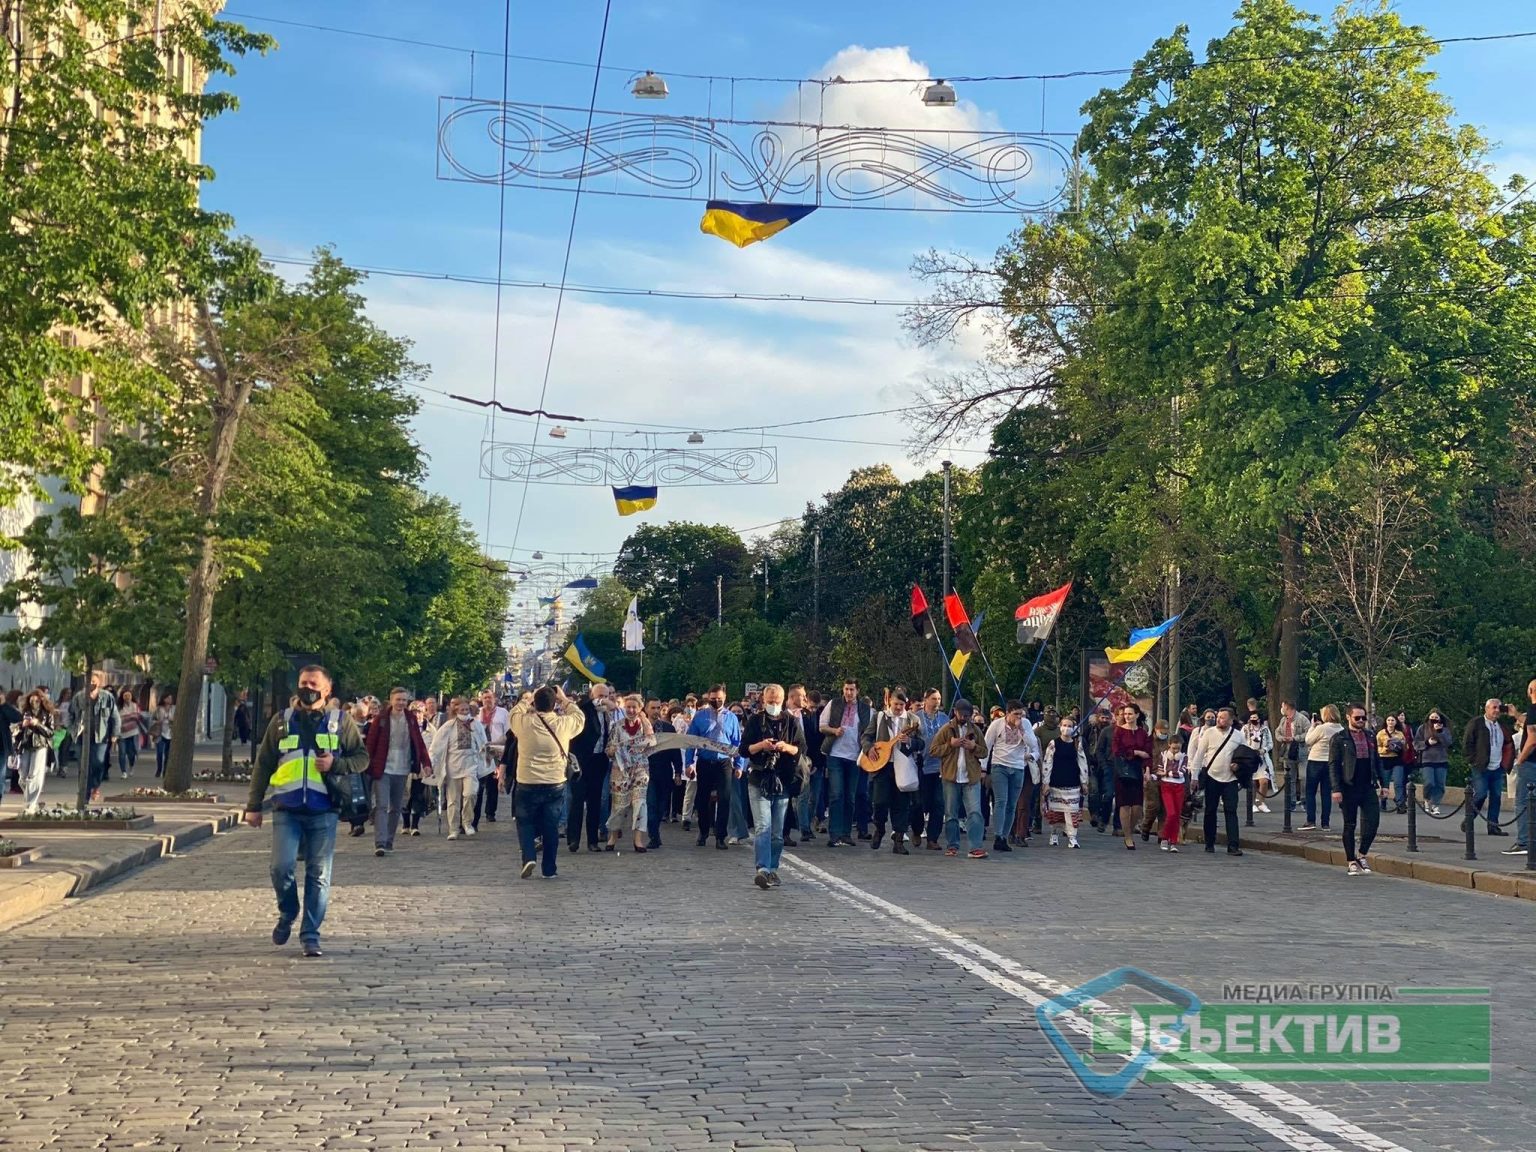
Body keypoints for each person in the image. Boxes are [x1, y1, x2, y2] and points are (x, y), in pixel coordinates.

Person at [244, 664, 368, 958]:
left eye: (314, 684)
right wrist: (253, 806)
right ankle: (288, 911)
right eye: (303, 683)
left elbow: (361, 758)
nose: (307, 689)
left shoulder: (340, 721)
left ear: (327, 689)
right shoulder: (281, 721)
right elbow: (263, 765)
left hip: (324, 809)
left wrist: (335, 765)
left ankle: (310, 935)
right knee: (280, 867)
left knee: (319, 874)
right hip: (286, 809)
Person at [506, 685, 585, 879]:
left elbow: (514, 713)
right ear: (553, 704)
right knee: (551, 826)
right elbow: (579, 717)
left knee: (525, 822)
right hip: (555, 782)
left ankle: (529, 856)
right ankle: (549, 868)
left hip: (527, 781)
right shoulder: (563, 724)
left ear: (535, 702)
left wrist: (528, 699)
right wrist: (564, 699)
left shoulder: (523, 723)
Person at [740, 683, 806, 888]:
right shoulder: (754, 720)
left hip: (783, 779)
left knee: (777, 831)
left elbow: (801, 749)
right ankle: (763, 868)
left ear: (783, 700)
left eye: (777, 702)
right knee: (763, 826)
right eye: (770, 702)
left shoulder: (792, 721)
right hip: (759, 778)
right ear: (763, 700)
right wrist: (762, 745)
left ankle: (773, 868)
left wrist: (785, 747)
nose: (773, 705)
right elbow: (744, 750)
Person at [363, 687, 433, 856]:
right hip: (383, 768)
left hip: (402, 768)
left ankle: (389, 840)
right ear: (391, 700)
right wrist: (365, 764)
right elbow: (370, 744)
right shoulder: (381, 719)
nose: (401, 703)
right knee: (381, 805)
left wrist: (426, 763)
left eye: (404, 700)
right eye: (398, 699)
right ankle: (379, 842)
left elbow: (418, 742)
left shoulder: (410, 719)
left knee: (396, 807)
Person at [1330, 704, 1389, 875]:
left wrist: (1384, 784)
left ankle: (1362, 854)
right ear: (1348, 717)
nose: (1361, 721)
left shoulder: (1370, 736)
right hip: (1348, 785)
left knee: (1373, 822)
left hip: (1367, 784)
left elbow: (1377, 761)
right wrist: (1336, 788)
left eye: (1364, 717)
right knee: (1350, 824)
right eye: (1358, 718)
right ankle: (1350, 860)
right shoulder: (1340, 738)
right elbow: (1333, 765)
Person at [862, 689, 922, 855]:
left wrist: (910, 741)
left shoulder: (913, 720)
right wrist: (869, 749)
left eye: (902, 705)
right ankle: (879, 829)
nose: (898, 707)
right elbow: (866, 737)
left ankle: (899, 840)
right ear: (890, 702)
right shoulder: (879, 717)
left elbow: (922, 743)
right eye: (896, 704)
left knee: (901, 804)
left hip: (903, 766)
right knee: (879, 802)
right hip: (882, 766)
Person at [928, 698, 989, 859]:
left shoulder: (975, 730)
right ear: (955, 712)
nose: (964, 718)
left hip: (971, 777)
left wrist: (973, 747)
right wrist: (951, 745)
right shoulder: (946, 729)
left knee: (975, 812)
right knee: (951, 813)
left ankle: (975, 847)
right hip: (950, 776)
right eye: (962, 715)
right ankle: (952, 845)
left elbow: (985, 752)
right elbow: (933, 750)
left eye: (967, 716)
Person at [686, 684, 743, 850]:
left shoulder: (731, 717)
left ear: (724, 698)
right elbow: (691, 740)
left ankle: (720, 836)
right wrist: (689, 764)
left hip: (724, 763)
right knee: (702, 799)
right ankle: (703, 832)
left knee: (724, 800)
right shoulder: (700, 716)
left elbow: (737, 742)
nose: (716, 701)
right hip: (705, 761)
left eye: (719, 699)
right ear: (708, 698)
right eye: (713, 699)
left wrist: (739, 765)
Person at [819, 679, 872, 848]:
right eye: (846, 689)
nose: (849, 693)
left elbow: (870, 732)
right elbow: (822, 726)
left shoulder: (865, 710)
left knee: (850, 796)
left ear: (857, 691)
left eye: (852, 689)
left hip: (855, 756)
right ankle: (834, 833)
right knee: (836, 794)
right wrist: (834, 730)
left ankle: (846, 833)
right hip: (835, 754)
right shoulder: (833, 704)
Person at [984, 700, 1039, 853]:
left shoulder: (1025, 724)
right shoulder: (997, 725)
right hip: (999, 765)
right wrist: (983, 768)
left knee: (1012, 805)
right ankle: (998, 836)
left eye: (1021, 714)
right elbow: (986, 745)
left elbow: (1033, 744)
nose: (1018, 717)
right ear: (1007, 713)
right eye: (1015, 714)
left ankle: (1005, 835)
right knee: (1001, 801)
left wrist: (1021, 728)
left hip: (1018, 767)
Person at [1188, 706, 1245, 857]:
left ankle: (1233, 845)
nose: (1218, 720)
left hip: (1231, 779)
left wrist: (1238, 766)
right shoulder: (1209, 733)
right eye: (1218, 717)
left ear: (1231, 720)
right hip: (1212, 776)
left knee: (1231, 811)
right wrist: (1194, 776)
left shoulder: (1238, 736)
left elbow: (1245, 756)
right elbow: (1199, 755)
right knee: (1210, 811)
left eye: (1222, 717)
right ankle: (1209, 842)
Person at [429, 697, 485, 840]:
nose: (464, 712)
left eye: (467, 710)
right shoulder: (448, 726)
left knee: (470, 793)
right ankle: (453, 828)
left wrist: (488, 755)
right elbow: (436, 746)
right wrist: (431, 762)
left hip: (470, 765)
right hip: (453, 766)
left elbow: (483, 743)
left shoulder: (476, 725)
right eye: (462, 710)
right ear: (456, 710)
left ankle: (467, 822)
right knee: (453, 800)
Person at [606, 694, 654, 854]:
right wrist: (612, 750)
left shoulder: (644, 726)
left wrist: (644, 720)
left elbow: (652, 742)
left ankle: (638, 840)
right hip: (620, 771)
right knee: (619, 805)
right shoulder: (618, 726)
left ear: (640, 708)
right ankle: (612, 837)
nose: (631, 710)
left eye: (634, 707)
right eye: (628, 707)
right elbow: (609, 748)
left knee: (640, 803)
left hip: (640, 770)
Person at [571, 685, 616, 852]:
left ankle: (592, 840)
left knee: (595, 802)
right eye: (600, 695)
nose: (604, 698)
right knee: (577, 801)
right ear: (592, 696)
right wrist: (599, 701)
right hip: (583, 761)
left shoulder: (607, 714)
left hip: (599, 761)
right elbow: (582, 706)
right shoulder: (584, 709)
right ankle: (573, 839)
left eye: (606, 695)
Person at [1462, 698, 1508, 838]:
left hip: (1497, 766)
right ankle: (1469, 820)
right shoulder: (1476, 723)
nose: (1496, 710)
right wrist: (1473, 760)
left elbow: (1508, 743)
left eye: (1499, 708)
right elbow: (1467, 742)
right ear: (1486, 709)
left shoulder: (1502, 725)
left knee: (1496, 796)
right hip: (1481, 766)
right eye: (1494, 707)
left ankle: (1493, 826)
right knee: (1481, 794)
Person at [909, 688, 948, 850]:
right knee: (918, 803)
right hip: (921, 765)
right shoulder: (916, 718)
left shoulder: (945, 719)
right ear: (925, 699)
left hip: (940, 767)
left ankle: (933, 838)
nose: (936, 702)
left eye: (939, 699)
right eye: (933, 699)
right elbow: (910, 739)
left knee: (939, 804)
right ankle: (917, 830)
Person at [1041, 714, 1088, 848]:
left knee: (1072, 811)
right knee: (1056, 811)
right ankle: (1054, 834)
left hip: (1072, 783)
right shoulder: (1053, 743)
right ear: (1060, 727)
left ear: (1074, 728)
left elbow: (1082, 763)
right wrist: (1046, 782)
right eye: (1064, 725)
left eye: (1069, 726)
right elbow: (1047, 762)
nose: (1066, 728)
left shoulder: (1076, 744)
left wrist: (1084, 781)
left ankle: (1072, 837)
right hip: (1056, 782)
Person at [1110, 704, 1152, 851]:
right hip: (1122, 770)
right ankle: (1128, 836)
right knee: (1124, 804)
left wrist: (1147, 769)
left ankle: (1131, 829)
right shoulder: (1119, 731)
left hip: (1137, 770)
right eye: (1125, 714)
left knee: (1137, 807)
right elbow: (1117, 750)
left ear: (1137, 715)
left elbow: (1148, 753)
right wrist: (1135, 752)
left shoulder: (1142, 733)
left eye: (1130, 714)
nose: (1127, 716)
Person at [644, 700, 681, 851]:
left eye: (658, 708)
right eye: (653, 708)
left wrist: (678, 771)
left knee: (661, 805)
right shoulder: (640, 728)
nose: (656, 711)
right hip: (647, 771)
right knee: (651, 804)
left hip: (665, 771)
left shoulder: (668, 728)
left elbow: (675, 750)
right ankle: (653, 836)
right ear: (646, 709)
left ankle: (656, 830)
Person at [12, 690, 54, 815]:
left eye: (37, 700)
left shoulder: (47, 714)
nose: (34, 703)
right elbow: (14, 728)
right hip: (25, 746)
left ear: (42, 700)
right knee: (23, 777)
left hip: (40, 746)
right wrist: (21, 725)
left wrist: (38, 724)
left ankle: (31, 804)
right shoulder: (24, 712)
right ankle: (31, 801)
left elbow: (50, 733)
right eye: (31, 700)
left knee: (34, 776)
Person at [1301, 705, 1342, 831]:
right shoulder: (1341, 728)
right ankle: (1325, 823)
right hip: (1330, 762)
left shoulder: (1321, 728)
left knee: (1310, 791)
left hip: (1316, 760)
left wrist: (1312, 727)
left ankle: (1311, 820)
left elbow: (1308, 740)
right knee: (1326, 793)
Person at [472, 689, 508, 830]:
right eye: (485, 697)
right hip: (481, 751)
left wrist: (497, 744)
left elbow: (507, 733)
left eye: (490, 697)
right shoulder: (477, 713)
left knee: (493, 783)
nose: (487, 700)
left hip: (496, 749)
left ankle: (490, 812)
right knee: (480, 783)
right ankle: (476, 814)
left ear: (495, 699)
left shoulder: (503, 713)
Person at [1508, 680, 1536, 856]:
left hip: (1531, 763)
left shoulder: (1534, 709)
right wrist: (1516, 715)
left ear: (1531, 690)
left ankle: (1524, 841)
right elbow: (1530, 723)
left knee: (1523, 802)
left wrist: (1520, 758)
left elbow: (1533, 739)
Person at [1414, 707, 1453, 818]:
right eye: (1432, 718)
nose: (1434, 720)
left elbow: (1448, 743)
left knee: (1440, 784)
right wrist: (1427, 743)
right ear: (1428, 718)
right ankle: (1427, 799)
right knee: (1429, 782)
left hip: (1441, 759)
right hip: (1427, 759)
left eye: (1436, 718)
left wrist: (1439, 732)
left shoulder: (1445, 729)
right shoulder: (1423, 728)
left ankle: (1435, 804)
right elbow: (1416, 743)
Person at [1155, 725, 1189, 851]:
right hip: (1167, 786)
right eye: (1174, 748)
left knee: (1177, 815)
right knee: (1171, 813)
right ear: (1169, 745)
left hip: (1179, 786)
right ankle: (1165, 838)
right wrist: (1167, 773)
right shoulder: (1163, 756)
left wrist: (1167, 772)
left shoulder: (1184, 757)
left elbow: (1182, 772)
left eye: (1178, 748)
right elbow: (1159, 770)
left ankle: (1173, 841)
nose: (1175, 751)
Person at [1275, 702, 1310, 816]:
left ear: (1288, 708)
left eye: (1283, 707)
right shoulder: (1284, 720)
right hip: (1288, 751)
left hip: (1301, 751)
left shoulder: (1302, 719)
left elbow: (1309, 733)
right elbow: (1278, 731)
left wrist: (1295, 738)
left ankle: (1304, 800)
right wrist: (1282, 738)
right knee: (1290, 778)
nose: (1281, 709)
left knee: (1304, 777)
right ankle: (1292, 801)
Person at [1085, 707, 1115, 832]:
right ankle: (1094, 815)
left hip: (1107, 764)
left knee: (1106, 793)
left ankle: (1103, 817)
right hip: (1093, 763)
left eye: (1107, 718)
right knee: (1094, 790)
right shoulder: (1090, 729)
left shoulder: (1111, 731)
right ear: (1098, 718)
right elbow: (1084, 745)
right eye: (1102, 718)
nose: (1104, 720)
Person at [1240, 709, 1275, 813]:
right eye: (1251, 718)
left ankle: (1261, 802)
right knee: (1252, 782)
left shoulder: (1265, 729)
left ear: (1259, 719)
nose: (1253, 720)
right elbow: (1241, 741)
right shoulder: (1245, 728)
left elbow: (1270, 743)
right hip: (1250, 758)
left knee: (1264, 781)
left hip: (1262, 758)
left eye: (1255, 718)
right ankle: (1252, 803)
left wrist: (1264, 750)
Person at [1376, 713, 1409, 814]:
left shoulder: (1399, 734)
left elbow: (1406, 747)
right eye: (1389, 720)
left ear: (1396, 722)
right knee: (1385, 783)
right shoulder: (1381, 734)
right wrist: (1386, 747)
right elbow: (1377, 748)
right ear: (1386, 722)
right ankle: (1383, 802)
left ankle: (1400, 804)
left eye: (1392, 720)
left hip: (1397, 759)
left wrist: (1401, 745)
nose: (1390, 722)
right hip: (1385, 759)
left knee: (1398, 782)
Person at [116, 688, 143, 781]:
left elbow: (137, 716)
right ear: (122, 697)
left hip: (133, 732)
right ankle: (123, 771)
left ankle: (131, 765)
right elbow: (117, 719)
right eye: (125, 696)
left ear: (132, 697)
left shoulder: (135, 706)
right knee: (122, 753)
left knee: (131, 752)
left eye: (129, 695)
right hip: (121, 734)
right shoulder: (119, 707)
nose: (127, 697)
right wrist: (130, 717)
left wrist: (125, 718)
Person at [153, 692, 176, 779]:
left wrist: (172, 720)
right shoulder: (159, 709)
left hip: (170, 733)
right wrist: (158, 721)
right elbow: (153, 719)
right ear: (164, 699)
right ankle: (159, 769)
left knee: (168, 754)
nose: (170, 700)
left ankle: (165, 771)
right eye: (168, 698)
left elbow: (177, 719)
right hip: (160, 733)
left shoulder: (174, 708)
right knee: (159, 753)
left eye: (171, 698)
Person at [233, 689, 253, 762]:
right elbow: (240, 716)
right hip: (243, 723)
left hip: (243, 723)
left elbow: (238, 716)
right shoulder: (242, 708)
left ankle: (243, 741)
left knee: (243, 732)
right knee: (243, 732)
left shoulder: (242, 708)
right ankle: (243, 741)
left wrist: (235, 722)